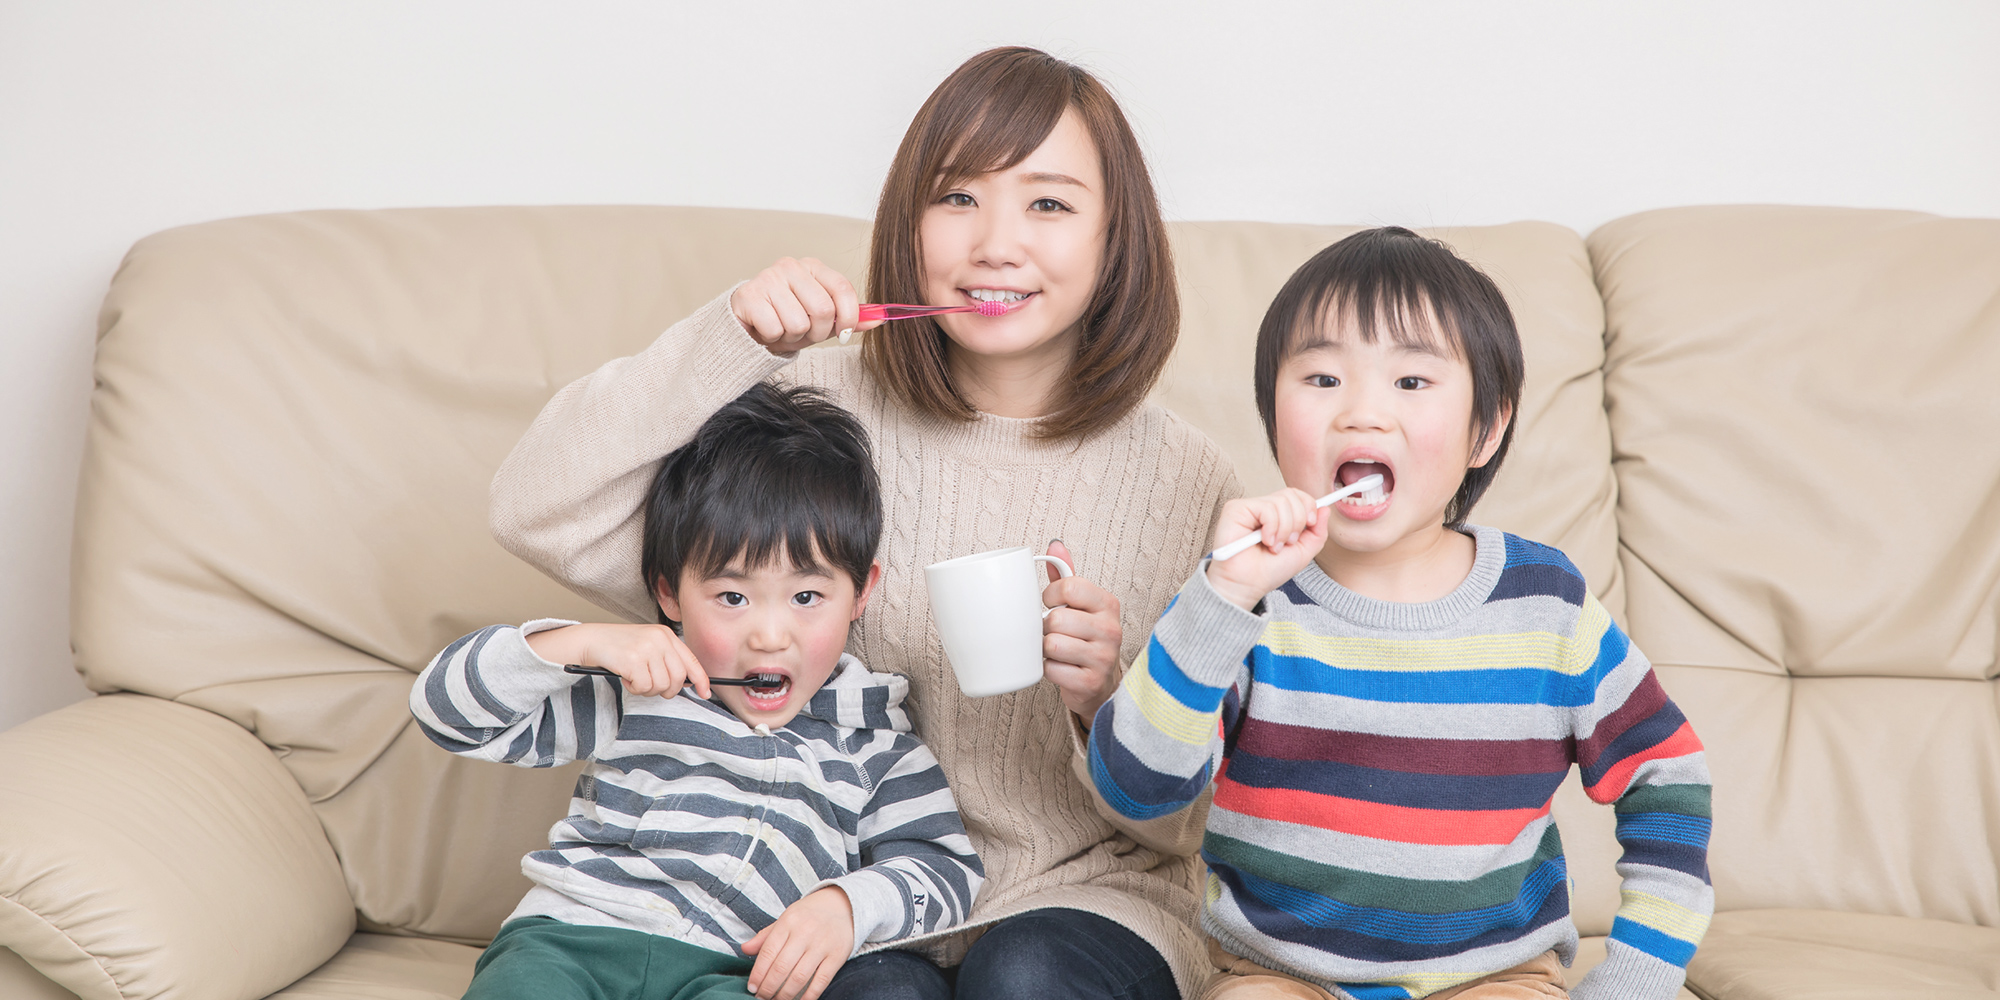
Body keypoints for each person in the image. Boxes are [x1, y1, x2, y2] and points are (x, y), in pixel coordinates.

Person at [489, 47, 1236, 1000]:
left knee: (1027, 974)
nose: (995, 242)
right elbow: (534, 509)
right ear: (906, 223)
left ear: (1115, 237)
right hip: (839, 895)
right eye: (957, 196)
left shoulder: (1190, 480)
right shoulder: (810, 414)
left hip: (1092, 898)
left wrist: (1104, 704)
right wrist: (731, 341)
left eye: (1049, 203)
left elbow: (1190, 827)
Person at [1087, 228, 1713, 1000]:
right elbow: (1136, 788)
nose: (1362, 414)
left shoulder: (1546, 604)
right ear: (1273, 416)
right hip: (1275, 974)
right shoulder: (1246, 603)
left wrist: (1639, 975)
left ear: (1486, 430)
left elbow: (1668, 778)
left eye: (1412, 382)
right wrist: (1221, 595)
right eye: (1320, 378)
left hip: (1495, 975)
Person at [413, 384, 984, 1000]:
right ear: (668, 594)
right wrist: (573, 644)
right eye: (732, 598)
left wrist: (846, 906)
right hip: (568, 942)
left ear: (861, 593)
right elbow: (446, 715)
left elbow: (946, 874)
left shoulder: (880, 749)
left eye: (807, 597)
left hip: (733, 975)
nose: (770, 637)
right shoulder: (641, 688)